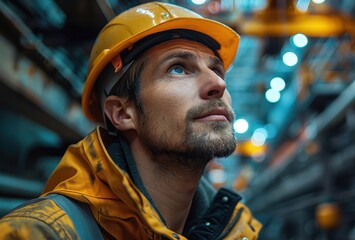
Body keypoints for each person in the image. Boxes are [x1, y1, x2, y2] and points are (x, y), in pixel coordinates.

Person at [0, 2, 261, 239]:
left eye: (216, 69)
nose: (218, 83)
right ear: (123, 114)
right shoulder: (40, 233)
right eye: (178, 68)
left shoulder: (236, 232)